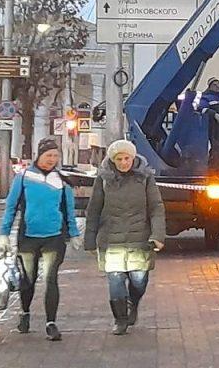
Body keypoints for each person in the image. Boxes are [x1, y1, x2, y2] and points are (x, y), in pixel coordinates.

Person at [0, 137, 81, 341]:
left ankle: (51, 323)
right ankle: (25, 314)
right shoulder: (24, 177)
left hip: (54, 237)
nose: (52, 159)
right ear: (39, 155)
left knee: (51, 279)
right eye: (48, 155)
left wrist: (74, 233)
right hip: (28, 237)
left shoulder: (62, 180)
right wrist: (3, 234)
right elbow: (11, 207)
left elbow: (69, 210)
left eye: (55, 155)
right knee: (29, 279)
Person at [83, 140, 166, 336]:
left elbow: (156, 208)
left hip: (140, 239)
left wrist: (158, 235)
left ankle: (133, 303)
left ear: (133, 157)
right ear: (112, 160)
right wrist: (90, 239)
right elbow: (93, 210)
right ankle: (120, 320)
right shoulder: (103, 179)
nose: (123, 162)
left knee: (139, 280)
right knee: (115, 281)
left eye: (126, 158)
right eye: (119, 159)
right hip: (111, 239)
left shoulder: (145, 177)